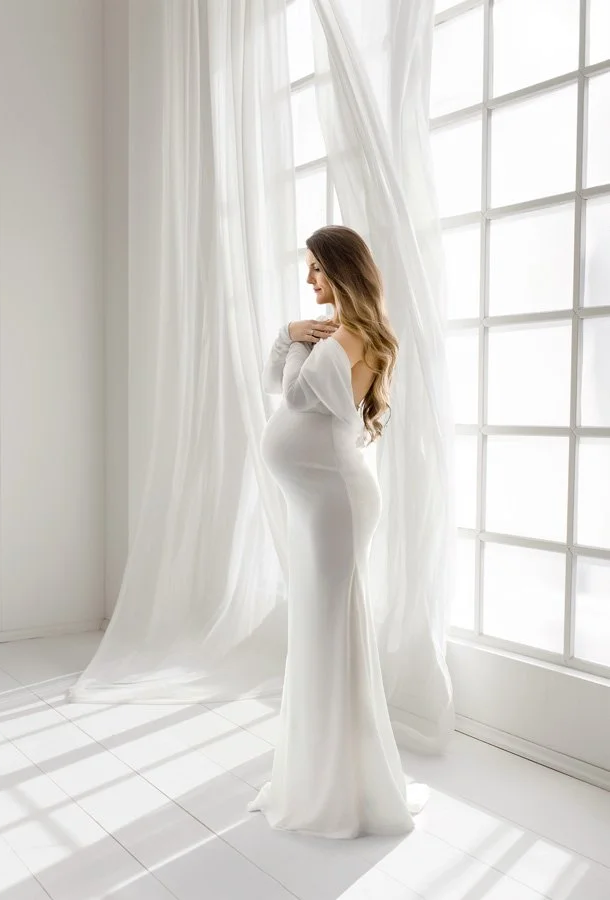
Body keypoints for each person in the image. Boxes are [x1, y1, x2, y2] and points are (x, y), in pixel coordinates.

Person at [247, 225, 429, 838]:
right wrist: (290, 334)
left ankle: (339, 788)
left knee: (329, 631)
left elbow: (297, 397)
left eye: (317, 269)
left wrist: (295, 337)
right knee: (318, 629)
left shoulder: (349, 335)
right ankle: (323, 774)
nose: (309, 279)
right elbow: (273, 381)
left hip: (335, 501)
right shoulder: (338, 333)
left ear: (341, 271)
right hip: (319, 500)